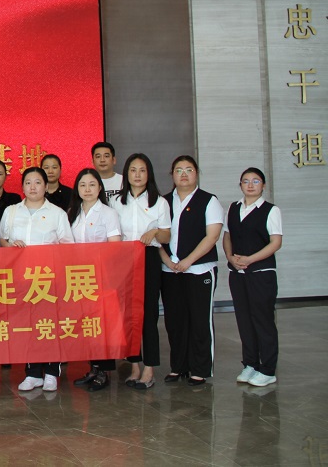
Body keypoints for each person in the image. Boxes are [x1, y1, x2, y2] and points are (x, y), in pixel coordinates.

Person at [0, 166, 74, 392]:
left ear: (46, 186)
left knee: (49, 325)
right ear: (22, 187)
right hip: (21, 279)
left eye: (38, 182)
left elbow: (67, 246)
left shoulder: (57, 214)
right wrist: (11, 246)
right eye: (28, 183)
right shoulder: (12, 211)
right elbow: (2, 240)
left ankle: (51, 372)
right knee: (27, 326)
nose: (33, 187)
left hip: (49, 279)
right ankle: (32, 373)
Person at [160, 155, 223, 386]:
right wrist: (167, 260)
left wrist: (189, 261)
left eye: (189, 169)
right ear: (172, 174)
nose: (184, 174)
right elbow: (156, 235)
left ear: (196, 173)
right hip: (170, 271)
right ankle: (179, 366)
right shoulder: (163, 201)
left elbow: (212, 236)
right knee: (175, 321)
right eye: (179, 170)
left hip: (199, 270)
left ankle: (200, 369)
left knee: (199, 320)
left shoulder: (209, 200)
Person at [111, 153, 171, 390]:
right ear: (126, 174)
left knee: (148, 314)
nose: (137, 175)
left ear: (149, 174)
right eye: (133, 170)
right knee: (128, 314)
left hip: (148, 258)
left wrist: (154, 232)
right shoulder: (116, 201)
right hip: (123, 260)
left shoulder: (159, 202)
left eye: (142, 170)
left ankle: (150, 368)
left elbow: (167, 236)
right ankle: (134, 364)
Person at [223, 167, 283, 387]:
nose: (250, 185)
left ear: (263, 185)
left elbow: (275, 242)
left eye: (256, 181)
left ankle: (267, 369)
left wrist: (250, 259)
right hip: (237, 273)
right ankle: (250, 364)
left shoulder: (270, 210)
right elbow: (227, 236)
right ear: (240, 185)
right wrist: (230, 257)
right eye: (246, 181)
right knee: (244, 320)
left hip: (261, 273)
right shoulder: (233, 208)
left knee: (263, 320)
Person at [67, 168, 122, 392]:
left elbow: (115, 245)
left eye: (92, 184)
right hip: (79, 278)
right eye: (82, 185)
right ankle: (93, 367)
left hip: (102, 276)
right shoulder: (72, 212)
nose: (87, 189)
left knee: (103, 324)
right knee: (87, 324)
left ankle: (104, 371)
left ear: (100, 187)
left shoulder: (108, 213)